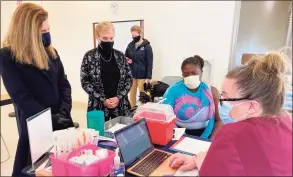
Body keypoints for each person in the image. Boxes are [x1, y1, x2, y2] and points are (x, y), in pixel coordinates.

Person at [169, 53, 292, 176]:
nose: (221, 103)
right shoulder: (287, 123)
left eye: (226, 98)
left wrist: (203, 164)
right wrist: (197, 160)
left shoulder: (232, 134)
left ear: (251, 106)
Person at [0, 3, 73, 177]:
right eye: (42, 32)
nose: (47, 35)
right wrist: (50, 118)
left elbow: (64, 85)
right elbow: (21, 97)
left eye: (48, 29)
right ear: (27, 33)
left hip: (62, 124)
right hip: (36, 127)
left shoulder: (51, 52)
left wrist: (63, 111)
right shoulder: (8, 56)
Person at [81, 21, 133, 121]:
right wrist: (102, 99)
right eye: (105, 38)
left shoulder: (120, 56)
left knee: (122, 134)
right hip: (97, 107)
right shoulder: (89, 57)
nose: (108, 41)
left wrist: (118, 97)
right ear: (97, 37)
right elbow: (85, 82)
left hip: (121, 106)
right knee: (98, 135)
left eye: (111, 38)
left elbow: (129, 79)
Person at [163, 55, 222, 139]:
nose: (190, 76)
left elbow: (218, 121)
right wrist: (178, 137)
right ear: (182, 74)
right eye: (186, 74)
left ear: (201, 72)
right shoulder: (172, 91)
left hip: (206, 132)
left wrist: (208, 142)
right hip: (177, 132)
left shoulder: (211, 92)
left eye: (194, 73)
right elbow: (164, 118)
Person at [125, 25, 153, 108]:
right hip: (132, 74)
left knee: (143, 96)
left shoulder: (147, 46)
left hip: (142, 76)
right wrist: (127, 59)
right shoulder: (130, 45)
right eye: (132, 36)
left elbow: (150, 62)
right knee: (132, 95)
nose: (133, 37)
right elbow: (126, 55)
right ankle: (132, 110)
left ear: (140, 34)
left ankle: (143, 111)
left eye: (135, 36)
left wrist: (148, 77)